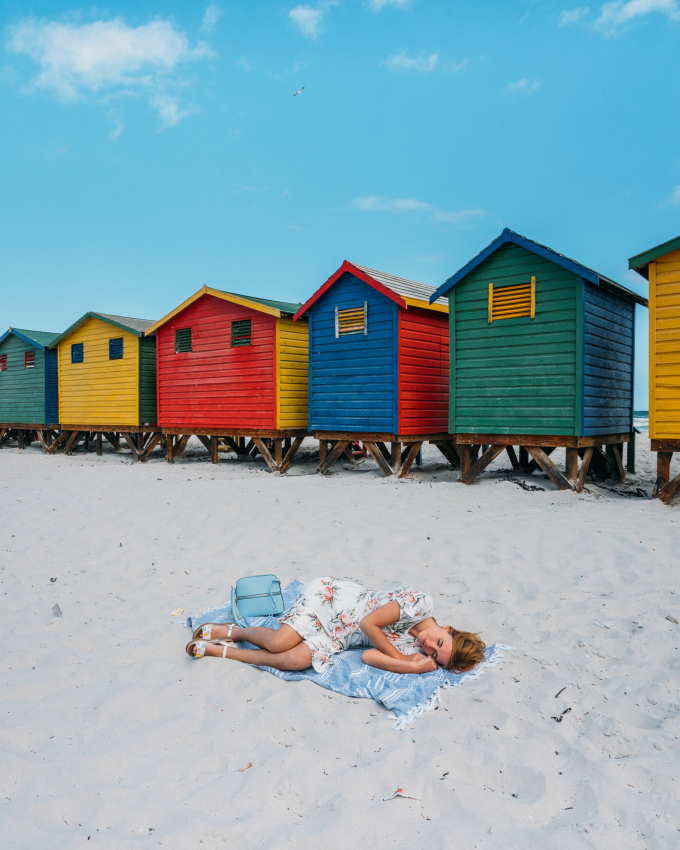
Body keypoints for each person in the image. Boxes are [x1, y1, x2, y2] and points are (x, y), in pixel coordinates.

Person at [185, 576, 485, 675]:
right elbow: (369, 624)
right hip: (334, 601)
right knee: (279, 643)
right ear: (448, 628)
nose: (428, 647)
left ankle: (224, 652)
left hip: (342, 636)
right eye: (439, 643)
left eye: (433, 656)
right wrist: (402, 658)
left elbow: (368, 655)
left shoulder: (414, 652)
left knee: (294, 660)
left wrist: (413, 666)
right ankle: (233, 631)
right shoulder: (419, 603)